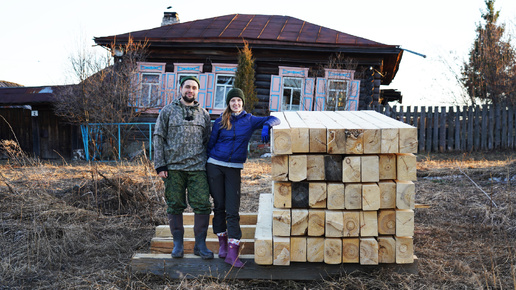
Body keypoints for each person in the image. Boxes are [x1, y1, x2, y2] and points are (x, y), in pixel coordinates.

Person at [206, 88, 280, 267]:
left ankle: (233, 253)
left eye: (239, 100)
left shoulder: (249, 120)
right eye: (233, 101)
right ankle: (222, 246)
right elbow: (210, 145)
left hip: (233, 169)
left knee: (232, 209)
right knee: (219, 207)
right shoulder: (220, 121)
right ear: (229, 103)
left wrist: (266, 125)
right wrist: (206, 165)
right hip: (214, 166)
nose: (236, 104)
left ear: (243, 102)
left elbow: (275, 118)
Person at [153, 76, 214, 260]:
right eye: (187, 87)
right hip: (173, 168)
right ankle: (178, 244)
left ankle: (200, 245)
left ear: (197, 91)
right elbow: (158, 137)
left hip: (198, 168)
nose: (191, 90)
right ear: (181, 89)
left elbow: (207, 141)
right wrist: (160, 165)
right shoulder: (168, 111)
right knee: (175, 205)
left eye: (194, 88)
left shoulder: (204, 114)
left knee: (202, 205)